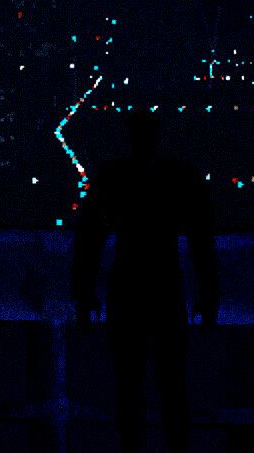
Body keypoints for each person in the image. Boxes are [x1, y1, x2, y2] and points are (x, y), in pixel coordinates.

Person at [71, 107, 220, 453]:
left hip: (127, 286)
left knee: (129, 383)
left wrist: (83, 295)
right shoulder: (178, 178)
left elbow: (90, 240)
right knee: (172, 383)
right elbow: (201, 241)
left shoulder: (113, 178)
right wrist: (208, 294)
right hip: (165, 285)